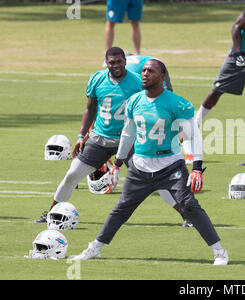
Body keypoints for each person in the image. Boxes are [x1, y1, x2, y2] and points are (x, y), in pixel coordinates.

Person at [73, 60, 229, 266]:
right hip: (140, 167)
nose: (145, 74)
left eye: (151, 71)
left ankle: (219, 252)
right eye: (144, 70)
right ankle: (95, 248)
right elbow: (128, 133)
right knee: (121, 209)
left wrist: (197, 168)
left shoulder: (177, 103)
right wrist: (118, 164)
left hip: (170, 165)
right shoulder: (135, 101)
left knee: (189, 205)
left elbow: (194, 136)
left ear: (162, 76)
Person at [34, 47, 142, 223]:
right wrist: (81, 136)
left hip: (128, 140)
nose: (115, 65)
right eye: (111, 62)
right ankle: (52, 212)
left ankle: (187, 215)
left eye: (119, 61)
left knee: (154, 177)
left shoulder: (137, 82)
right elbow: (90, 108)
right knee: (72, 175)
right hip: (100, 138)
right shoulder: (97, 79)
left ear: (125, 61)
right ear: (106, 62)